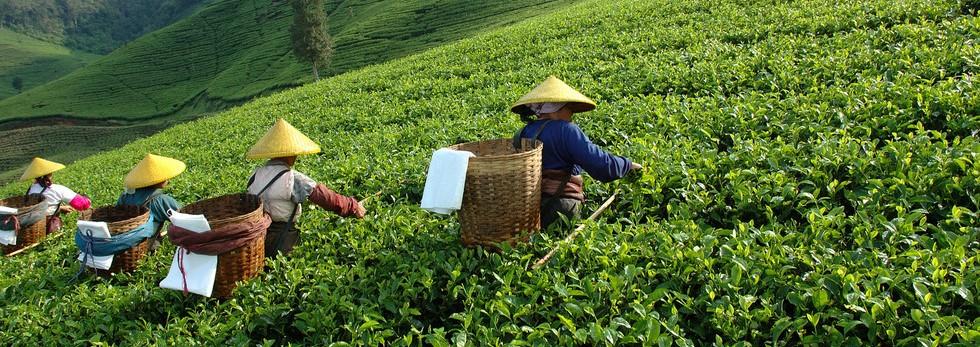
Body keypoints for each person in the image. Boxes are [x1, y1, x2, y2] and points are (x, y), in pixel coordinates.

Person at [511, 76, 642, 228]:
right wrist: (627, 164)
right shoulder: (566, 130)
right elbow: (600, 165)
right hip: (561, 209)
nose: (572, 114)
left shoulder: (521, 133)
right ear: (556, 107)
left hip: (529, 212)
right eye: (569, 108)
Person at [245, 118, 366, 257]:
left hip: (259, 237)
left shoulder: (254, 176)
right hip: (284, 237)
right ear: (289, 154)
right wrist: (353, 206)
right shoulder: (292, 178)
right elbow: (325, 198)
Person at [117, 153, 185, 251]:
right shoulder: (161, 200)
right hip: (147, 248)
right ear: (158, 180)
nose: (168, 180)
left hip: (124, 246)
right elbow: (185, 219)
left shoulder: (125, 196)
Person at [22, 157, 92, 234]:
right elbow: (82, 205)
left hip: (33, 226)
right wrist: (87, 199)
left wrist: (60, 208)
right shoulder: (56, 189)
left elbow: (40, 208)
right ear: (50, 174)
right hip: (49, 227)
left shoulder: (31, 189)